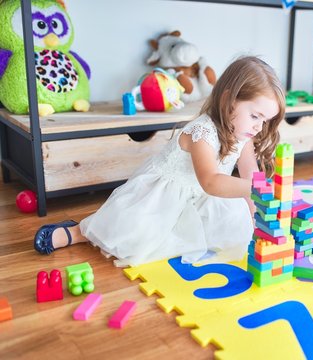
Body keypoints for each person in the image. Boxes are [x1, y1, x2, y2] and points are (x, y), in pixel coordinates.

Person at [34, 56, 286, 266]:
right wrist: (254, 188)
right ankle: (79, 231)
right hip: (163, 195)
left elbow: (253, 180)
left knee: (233, 230)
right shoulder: (203, 132)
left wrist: (260, 225)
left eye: (264, 120)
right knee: (129, 236)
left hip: (201, 201)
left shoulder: (244, 135)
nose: (258, 126)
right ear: (228, 100)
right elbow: (210, 181)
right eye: (255, 115)